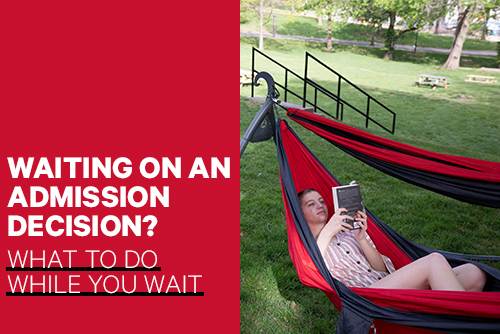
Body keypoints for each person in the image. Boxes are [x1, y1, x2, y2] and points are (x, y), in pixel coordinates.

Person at [298, 188, 487, 291]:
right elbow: (311, 272)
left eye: (321, 201)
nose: (320, 205)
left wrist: (362, 239)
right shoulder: (309, 248)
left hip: (389, 282)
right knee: (434, 261)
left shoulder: (348, 232)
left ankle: (437, 315)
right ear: (300, 213)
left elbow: (381, 268)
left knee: (474, 273)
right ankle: (460, 321)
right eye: (311, 204)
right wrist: (329, 230)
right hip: (367, 297)